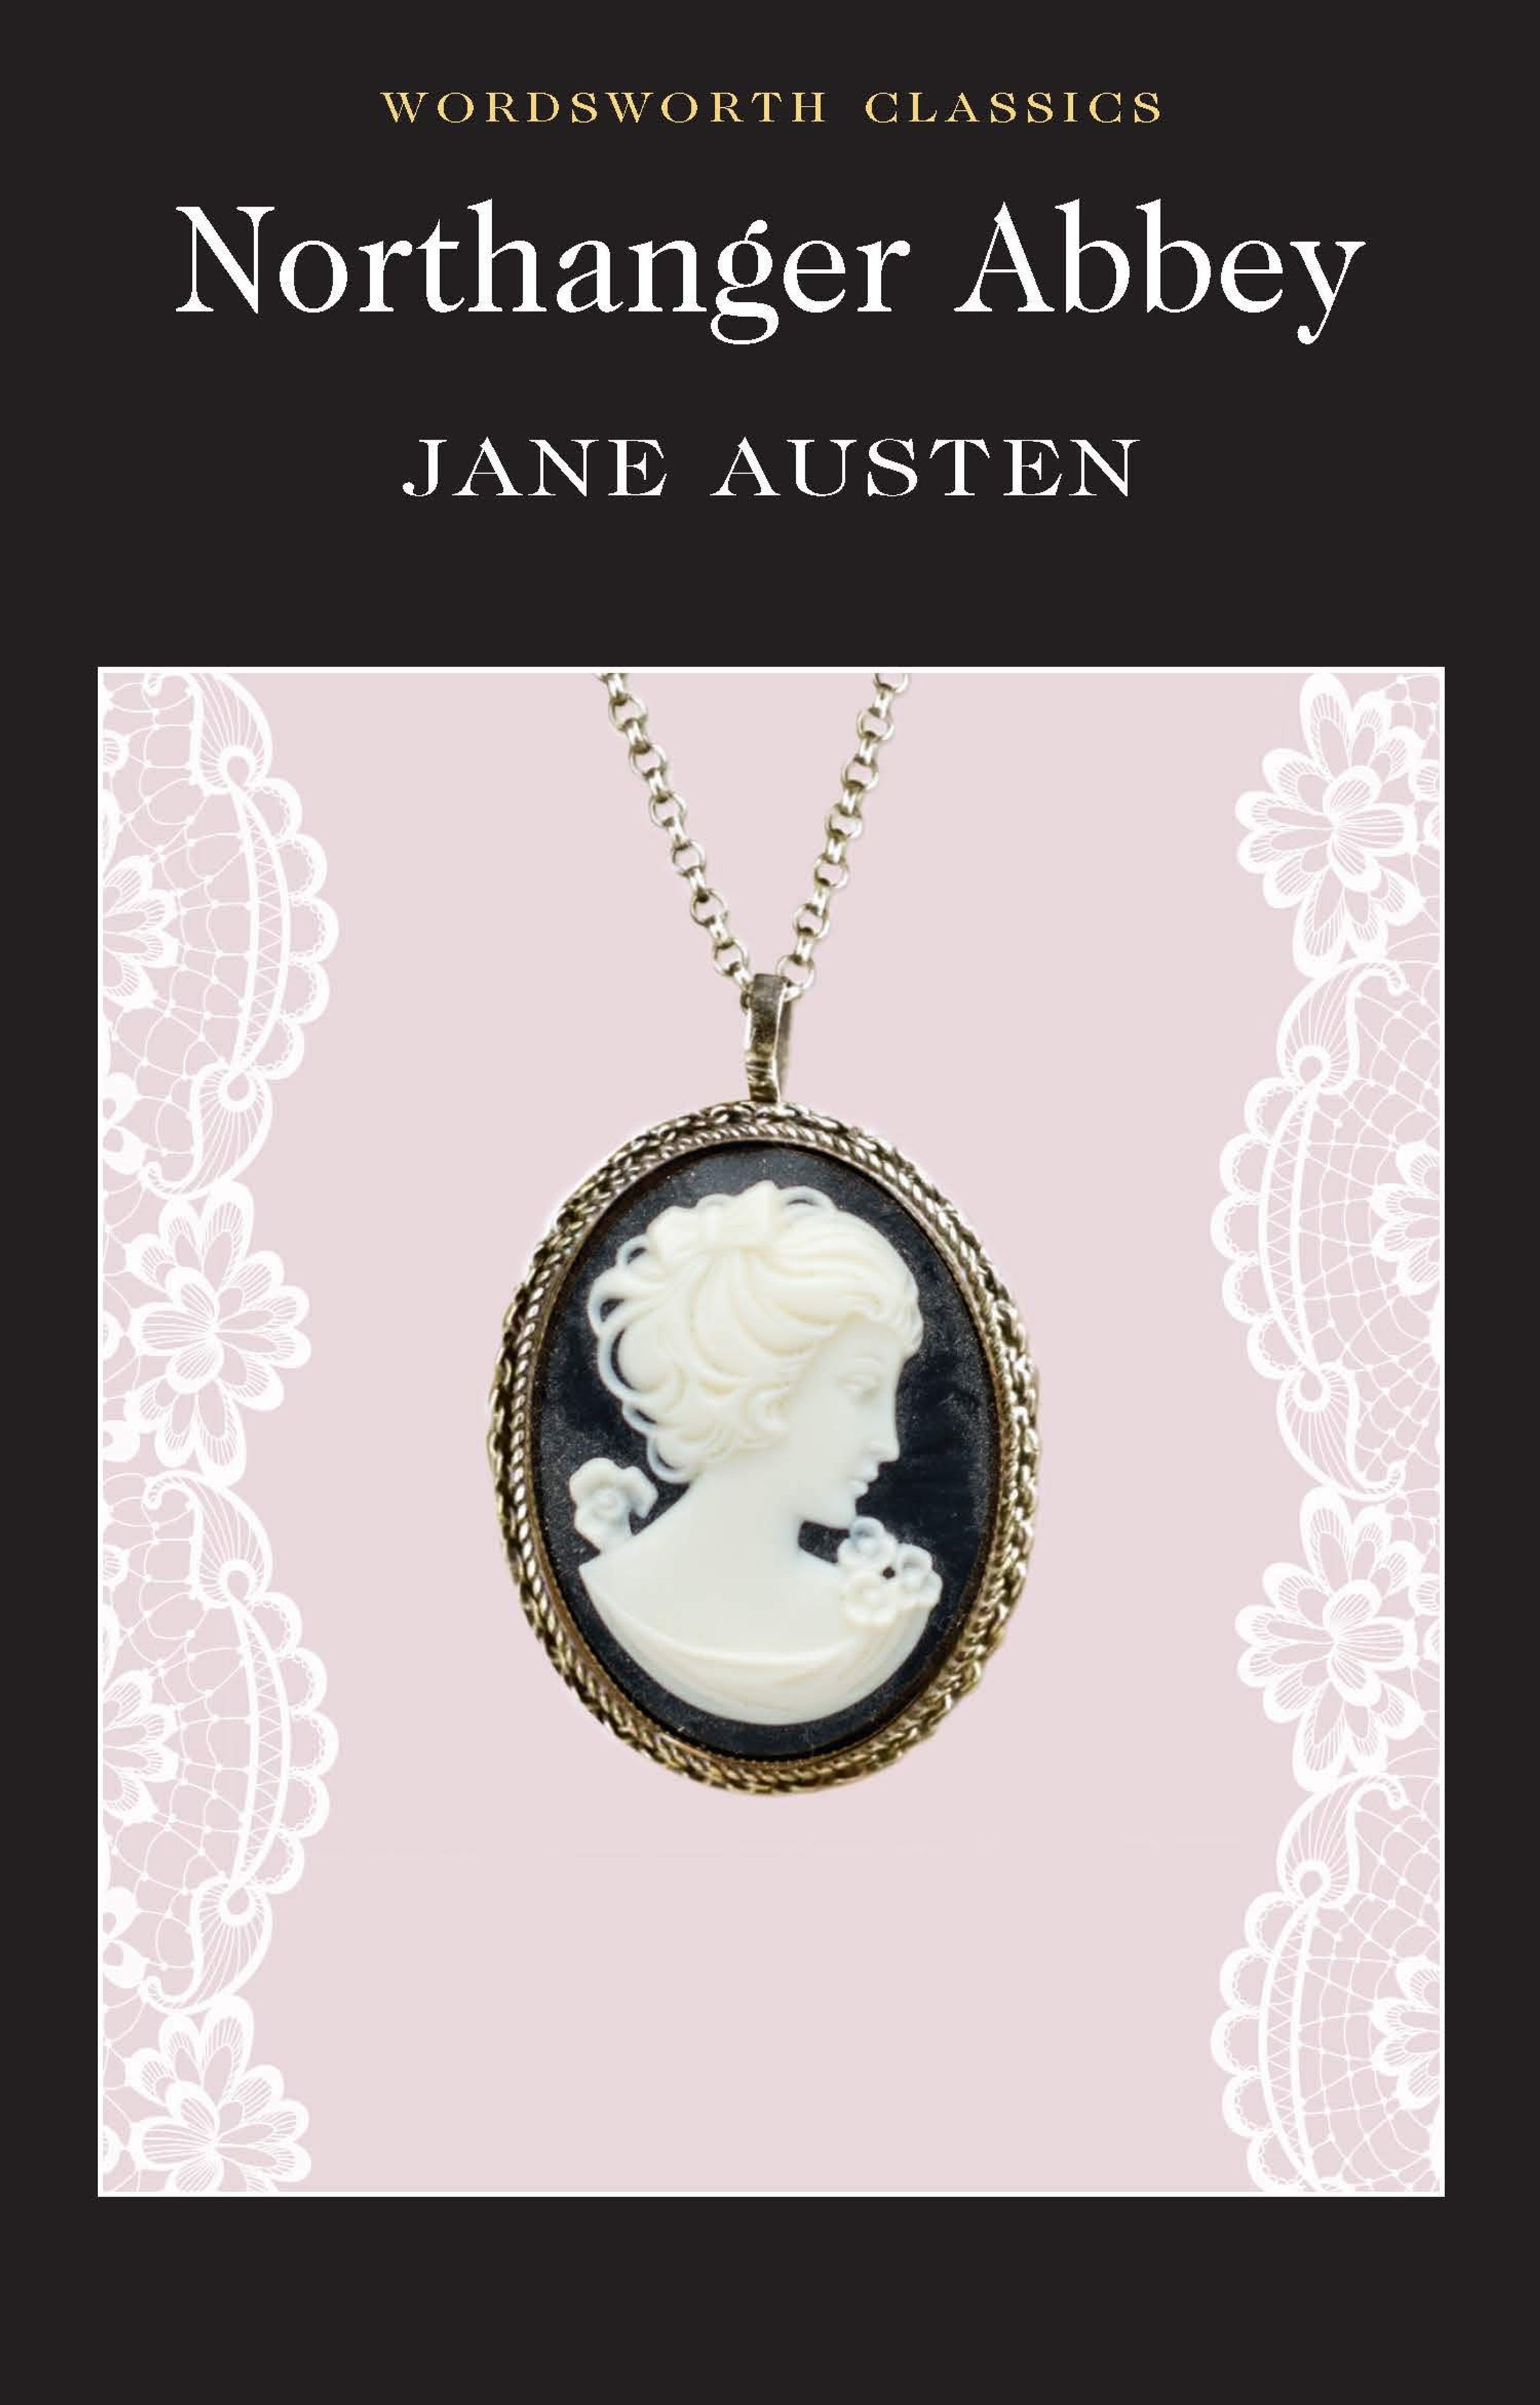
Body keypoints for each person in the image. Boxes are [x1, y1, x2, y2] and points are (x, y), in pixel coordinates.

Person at [570, 1180, 941, 1723]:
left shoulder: (876, 1622)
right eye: (861, 1388)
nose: (889, 1442)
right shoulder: (616, 1593)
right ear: (753, 1384)